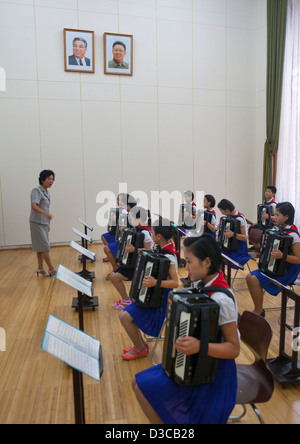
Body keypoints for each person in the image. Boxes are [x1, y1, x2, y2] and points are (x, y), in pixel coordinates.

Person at [132, 234, 239, 424]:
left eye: (189, 262)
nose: (186, 267)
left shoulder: (222, 299)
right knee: (138, 383)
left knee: (142, 387)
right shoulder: (202, 285)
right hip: (197, 361)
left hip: (216, 374)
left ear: (207, 262)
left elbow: (233, 349)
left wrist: (200, 346)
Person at [119, 218, 179, 360]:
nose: (151, 236)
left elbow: (175, 283)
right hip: (151, 296)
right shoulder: (159, 249)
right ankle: (140, 345)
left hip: (160, 302)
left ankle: (140, 348)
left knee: (124, 317)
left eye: (152, 233)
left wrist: (155, 282)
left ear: (158, 236)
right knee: (124, 315)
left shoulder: (170, 256)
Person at [246, 202, 300, 317]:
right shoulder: (278, 229)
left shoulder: (293, 235)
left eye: (278, 215)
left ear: (287, 217)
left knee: (255, 279)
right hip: (276, 267)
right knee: (248, 276)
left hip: (287, 271)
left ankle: (259, 311)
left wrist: (282, 256)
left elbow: (298, 259)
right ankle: (258, 308)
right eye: (275, 214)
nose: (274, 218)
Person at [110, 206, 154, 309]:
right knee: (113, 275)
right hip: (132, 262)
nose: (130, 220)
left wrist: (134, 250)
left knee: (115, 277)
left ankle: (126, 300)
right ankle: (126, 299)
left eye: (132, 218)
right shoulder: (137, 230)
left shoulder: (145, 232)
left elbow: (150, 250)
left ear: (138, 219)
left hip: (139, 265)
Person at [103, 194, 137, 280]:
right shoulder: (124, 212)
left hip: (129, 242)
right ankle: (116, 260)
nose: (118, 202)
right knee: (105, 238)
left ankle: (116, 269)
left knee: (107, 248)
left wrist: (118, 222)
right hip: (122, 238)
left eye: (120, 201)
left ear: (128, 205)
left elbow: (133, 230)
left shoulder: (134, 214)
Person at [29, 170, 56, 277]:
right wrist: (45, 214)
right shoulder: (36, 191)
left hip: (44, 223)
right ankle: (51, 269)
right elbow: (34, 206)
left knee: (40, 246)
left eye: (52, 179)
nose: (51, 181)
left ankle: (40, 268)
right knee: (45, 246)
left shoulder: (47, 191)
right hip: (36, 222)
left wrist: (47, 223)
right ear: (42, 180)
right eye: (49, 179)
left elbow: (45, 207)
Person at [217, 199, 251, 267]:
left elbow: (244, 238)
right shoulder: (227, 218)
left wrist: (233, 234)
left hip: (239, 248)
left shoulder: (240, 219)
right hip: (229, 245)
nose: (222, 214)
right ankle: (223, 276)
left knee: (218, 259)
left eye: (222, 212)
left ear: (226, 210)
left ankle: (224, 276)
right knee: (215, 254)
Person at [248, 185, 277, 251]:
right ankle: (255, 246)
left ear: (273, 194)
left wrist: (268, 217)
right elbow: (262, 216)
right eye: (266, 191)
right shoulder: (264, 202)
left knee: (259, 230)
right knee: (251, 227)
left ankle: (260, 247)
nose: (266, 193)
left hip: (271, 225)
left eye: (269, 192)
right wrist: (256, 223)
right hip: (263, 224)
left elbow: (276, 218)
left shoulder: (274, 205)